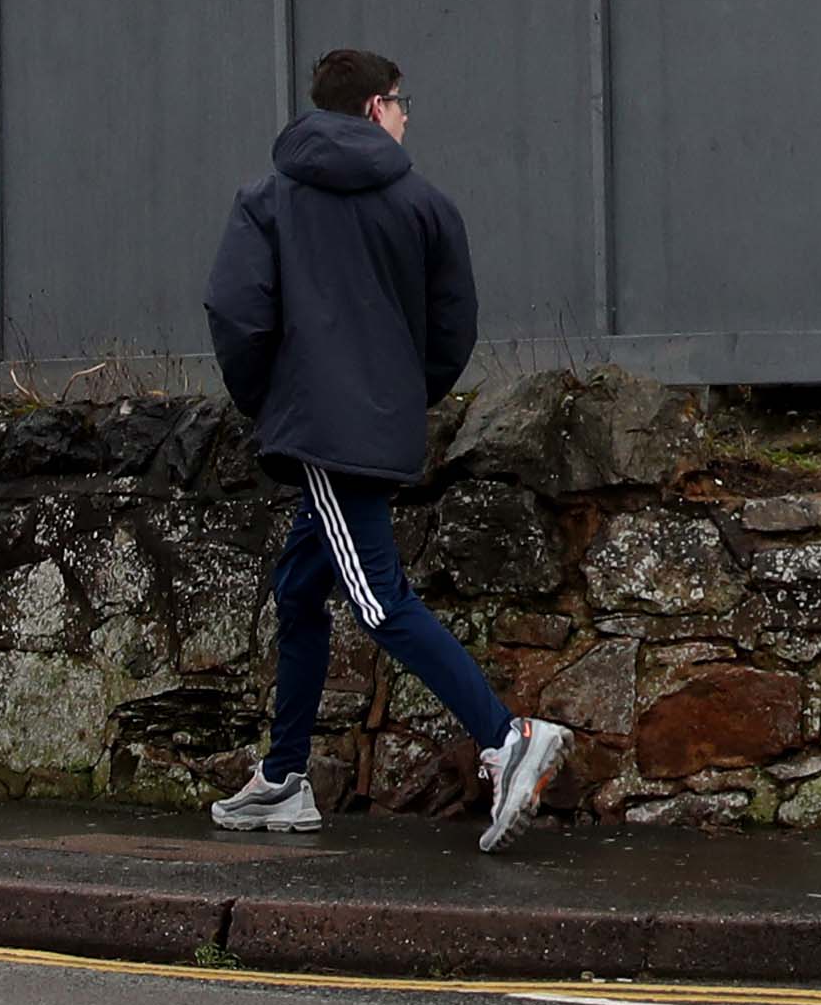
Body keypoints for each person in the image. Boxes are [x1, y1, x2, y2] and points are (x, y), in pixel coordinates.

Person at [199, 48, 573, 851]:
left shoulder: (267, 199)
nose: (407, 116)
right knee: (300, 587)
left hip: (324, 431)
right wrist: (400, 398)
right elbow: (453, 326)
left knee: (375, 598)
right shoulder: (425, 203)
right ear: (373, 107)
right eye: (403, 102)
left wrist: (276, 402)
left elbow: (236, 313)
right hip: (370, 426)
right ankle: (286, 776)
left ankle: (508, 737)